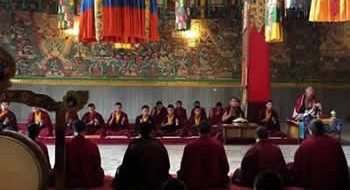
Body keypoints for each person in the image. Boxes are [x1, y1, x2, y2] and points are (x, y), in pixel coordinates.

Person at [289, 119, 349, 190]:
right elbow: (343, 167)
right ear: (323, 130)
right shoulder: (335, 144)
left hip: (311, 185)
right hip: (333, 185)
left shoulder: (305, 145)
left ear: (310, 131)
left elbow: (298, 168)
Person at [112, 122, 170, 190]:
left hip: (136, 181)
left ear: (139, 132)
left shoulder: (133, 144)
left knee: (119, 169)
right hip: (157, 180)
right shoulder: (158, 144)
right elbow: (167, 165)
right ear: (152, 131)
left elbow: (125, 165)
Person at [178, 121, 229, 190]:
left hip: (194, 182)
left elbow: (184, 167)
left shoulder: (190, 146)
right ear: (210, 131)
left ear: (198, 130)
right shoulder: (218, 145)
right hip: (214, 182)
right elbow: (225, 167)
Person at [64, 120, 104, 189]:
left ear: (73, 130)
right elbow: (97, 163)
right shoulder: (92, 145)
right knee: (101, 171)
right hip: (89, 180)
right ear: (85, 130)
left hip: (71, 181)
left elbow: (62, 164)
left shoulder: (68, 145)